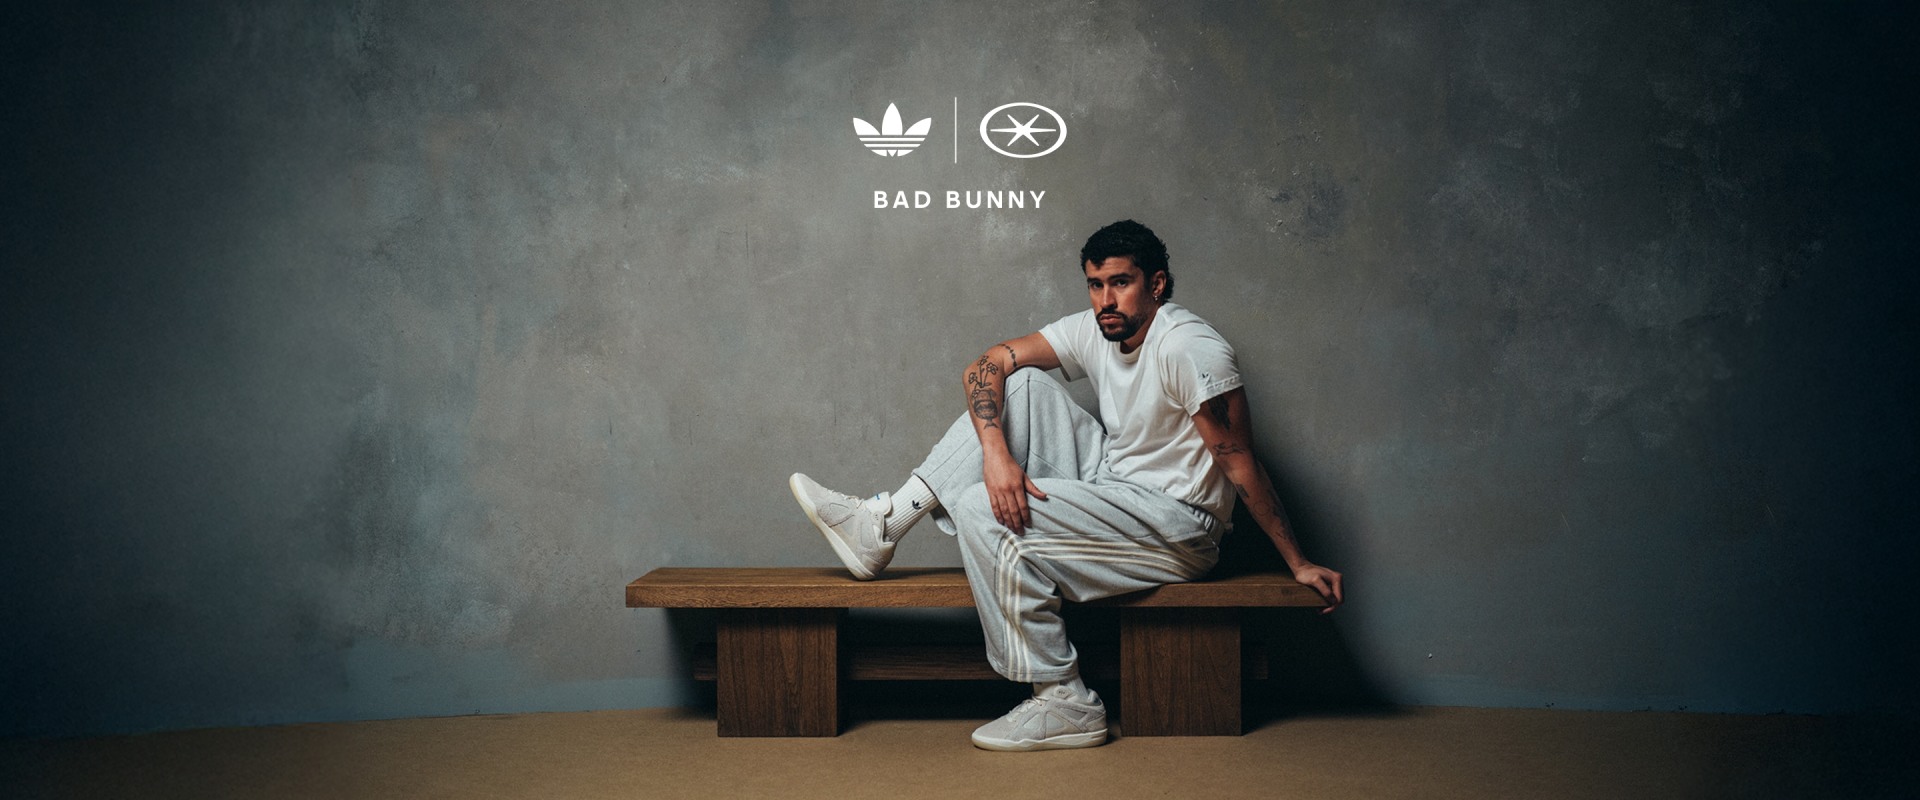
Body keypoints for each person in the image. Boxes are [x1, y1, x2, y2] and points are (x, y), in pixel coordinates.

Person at [789, 219, 1344, 751]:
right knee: (1023, 384)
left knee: (983, 509)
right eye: (1096, 284)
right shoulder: (1097, 327)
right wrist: (997, 455)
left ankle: (1063, 697)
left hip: (1177, 523)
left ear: (1156, 284)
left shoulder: (1189, 349)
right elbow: (986, 365)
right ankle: (884, 524)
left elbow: (1239, 460)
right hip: (1113, 482)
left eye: (1121, 283)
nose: (1106, 299)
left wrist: (1297, 561)